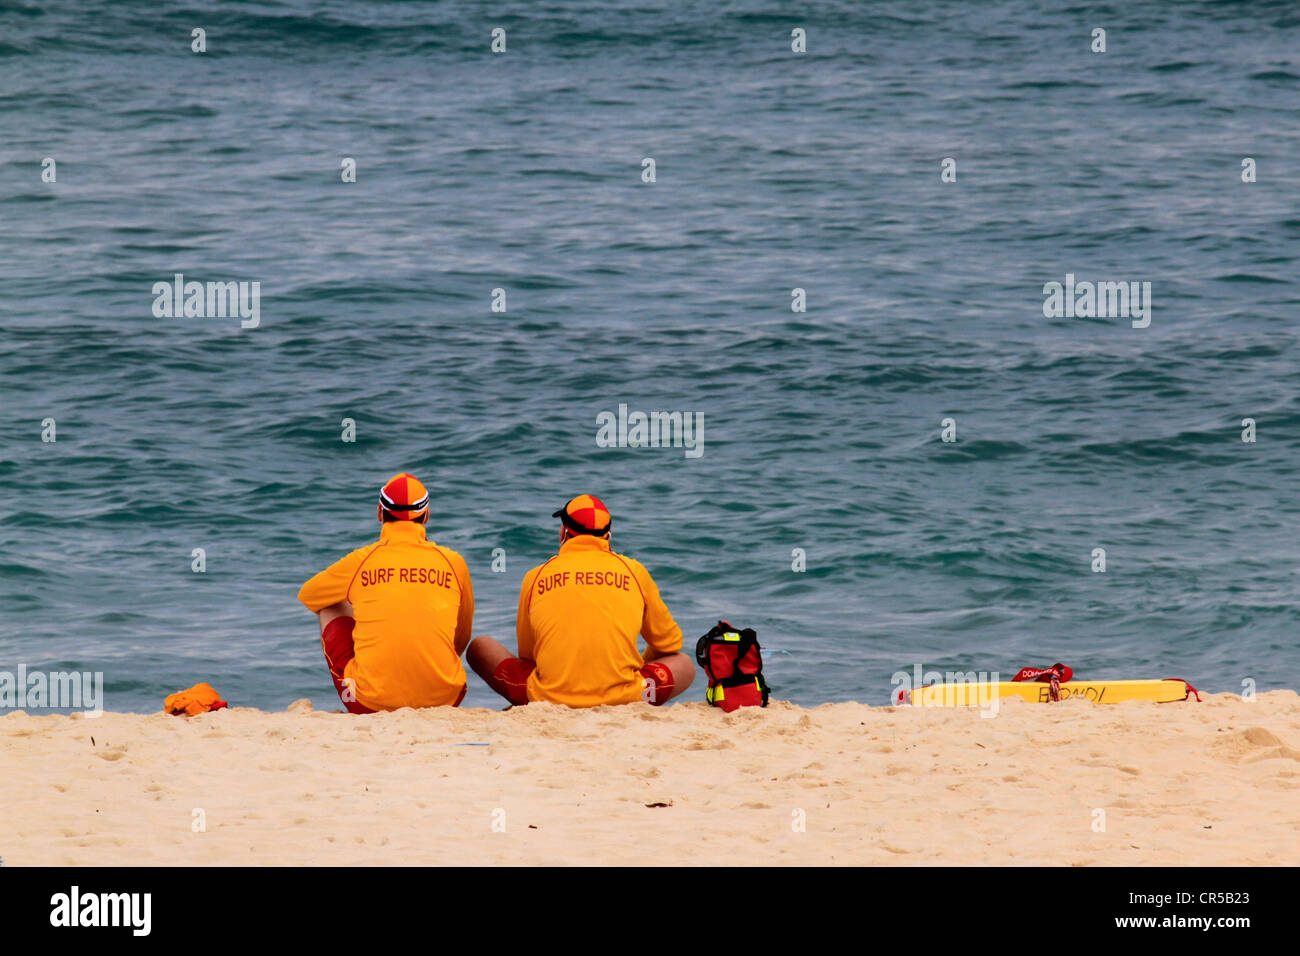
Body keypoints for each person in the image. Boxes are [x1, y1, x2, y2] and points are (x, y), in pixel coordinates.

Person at [467, 494, 694, 707]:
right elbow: (669, 643)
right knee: (684, 663)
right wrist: (641, 668)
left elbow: (528, 656)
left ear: (564, 532)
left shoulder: (536, 576)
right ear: (608, 536)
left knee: (479, 647)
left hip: (547, 698)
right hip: (628, 698)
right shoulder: (634, 571)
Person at [298, 473, 473, 713]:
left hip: (369, 703)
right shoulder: (454, 562)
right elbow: (461, 637)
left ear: (380, 513)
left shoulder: (361, 560)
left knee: (329, 604)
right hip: (447, 698)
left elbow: (309, 595)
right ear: (427, 515)